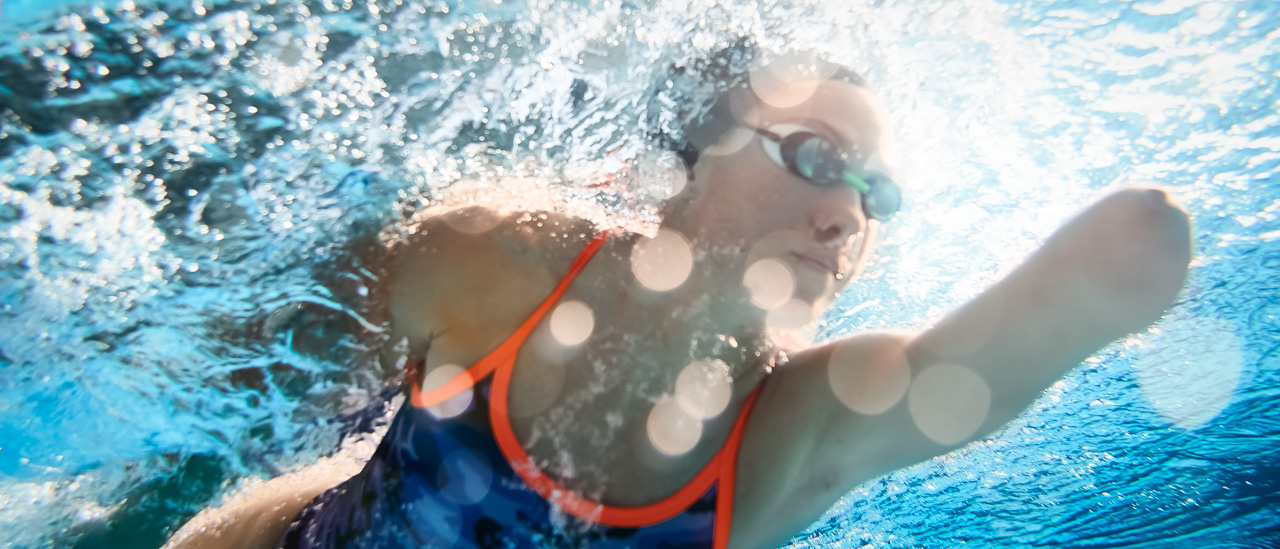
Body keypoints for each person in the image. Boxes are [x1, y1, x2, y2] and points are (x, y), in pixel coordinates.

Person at [166, 50, 1192, 549]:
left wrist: (1122, 263)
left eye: (874, 193)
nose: (844, 216)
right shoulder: (495, 261)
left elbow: (1103, 274)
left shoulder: (789, 437)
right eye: (815, 156)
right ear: (679, 168)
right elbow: (253, 382)